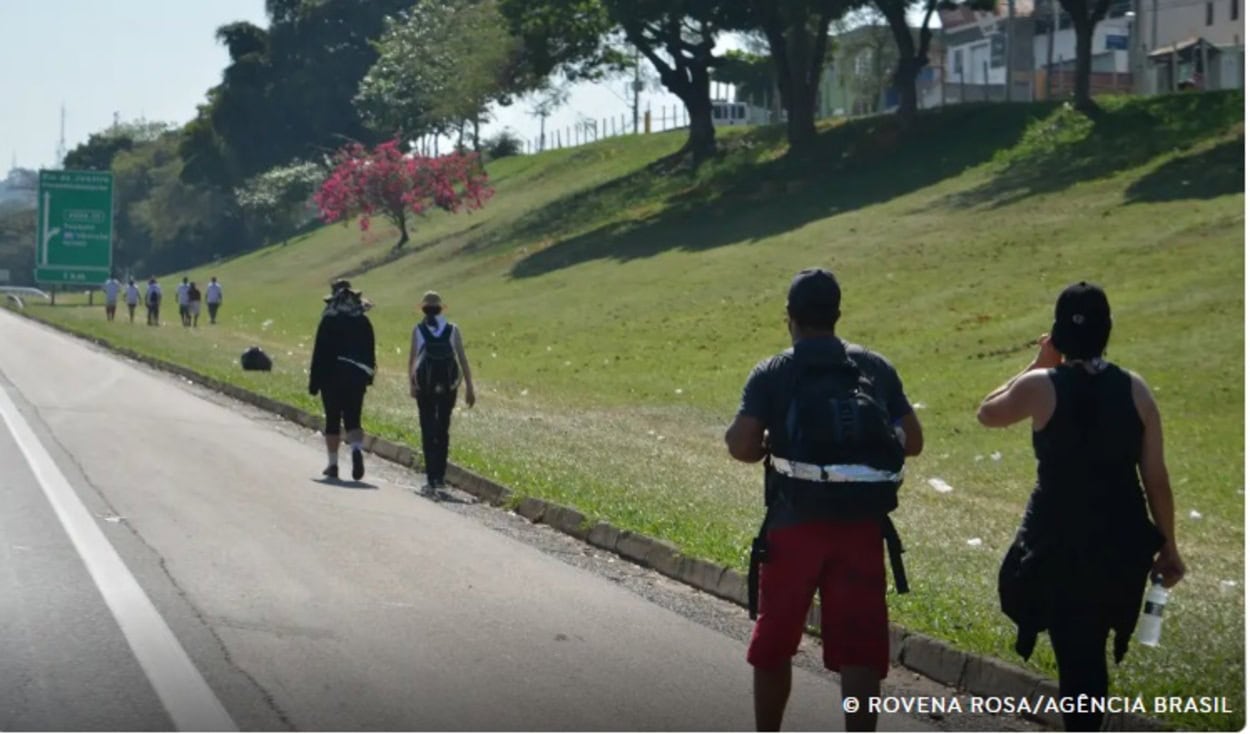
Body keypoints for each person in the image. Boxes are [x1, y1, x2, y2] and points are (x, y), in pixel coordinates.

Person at [976, 282, 1185, 732]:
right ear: (1107, 331)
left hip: (1060, 543)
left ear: (1057, 334)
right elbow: (1156, 479)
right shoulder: (1136, 390)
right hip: (1122, 541)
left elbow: (987, 413)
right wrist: (1169, 546)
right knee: (1087, 656)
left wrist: (1038, 362)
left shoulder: (1040, 385)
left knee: (1080, 661)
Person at [724, 268, 923, 732]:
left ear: (789, 318)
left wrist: (767, 444)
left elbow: (741, 445)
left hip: (794, 524)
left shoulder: (774, 371)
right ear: (837, 314)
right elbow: (912, 441)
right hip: (862, 527)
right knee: (859, 649)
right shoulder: (874, 366)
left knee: (775, 642)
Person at [408, 291, 476, 495]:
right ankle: (440, 476)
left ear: (423, 309)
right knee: (443, 429)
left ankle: (431, 476)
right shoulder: (452, 329)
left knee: (427, 429)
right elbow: (462, 359)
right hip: (448, 387)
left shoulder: (418, 330)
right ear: (440, 309)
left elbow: (412, 360)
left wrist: (411, 384)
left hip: (424, 387)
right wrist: (470, 387)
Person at [309, 280, 376, 481]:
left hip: (331, 376)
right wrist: (368, 376)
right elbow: (370, 352)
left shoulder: (329, 319)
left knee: (332, 419)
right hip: (357, 376)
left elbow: (319, 353)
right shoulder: (363, 321)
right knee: (353, 418)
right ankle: (356, 450)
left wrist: (314, 382)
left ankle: (333, 464)